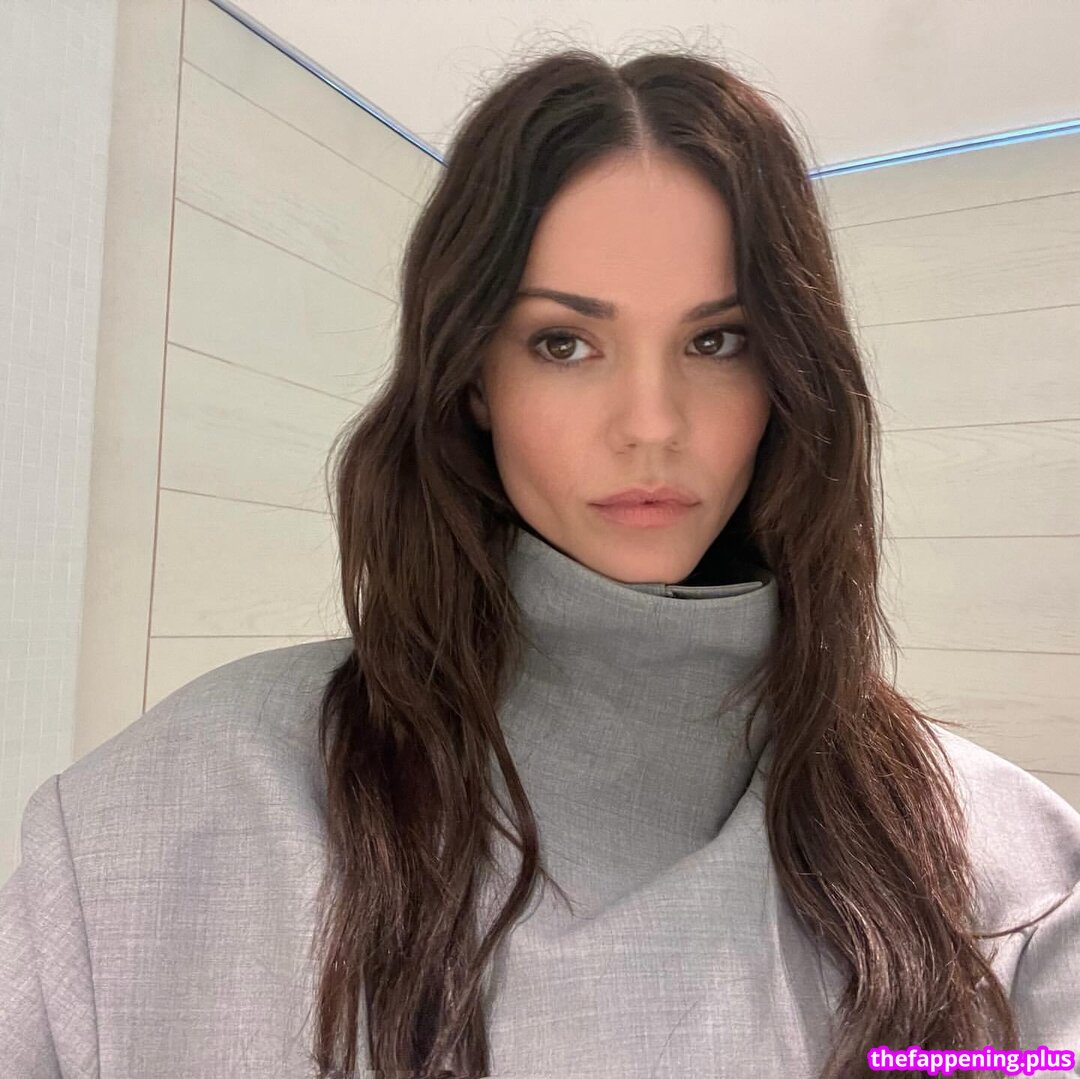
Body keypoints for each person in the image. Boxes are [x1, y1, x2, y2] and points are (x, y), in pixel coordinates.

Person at [1, 45, 1078, 1079]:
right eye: (564, 342)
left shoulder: (1007, 877)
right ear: (474, 378)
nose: (650, 423)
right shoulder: (166, 819)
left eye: (716, 340)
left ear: (788, 376)